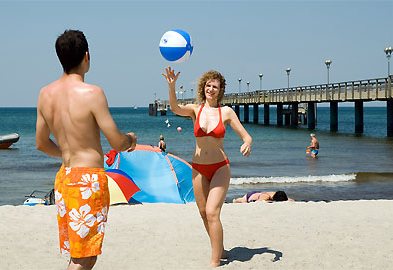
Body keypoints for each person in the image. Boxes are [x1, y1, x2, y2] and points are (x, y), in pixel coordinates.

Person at [36, 30, 137, 270]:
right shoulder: (93, 93)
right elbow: (116, 142)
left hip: (64, 178)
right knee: (86, 258)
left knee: (77, 253)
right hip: (88, 180)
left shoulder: (45, 94)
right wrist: (130, 140)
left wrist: (67, 154)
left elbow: (41, 143)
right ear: (87, 56)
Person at [162, 66, 252, 267]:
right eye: (209, 86)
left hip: (220, 167)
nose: (211, 89)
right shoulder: (196, 110)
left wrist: (247, 143)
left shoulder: (226, 112)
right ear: (204, 88)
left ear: (220, 91)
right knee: (203, 213)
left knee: (212, 212)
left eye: (216, 87)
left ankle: (215, 261)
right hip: (198, 169)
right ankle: (220, 250)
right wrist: (172, 86)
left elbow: (246, 135)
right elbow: (175, 108)